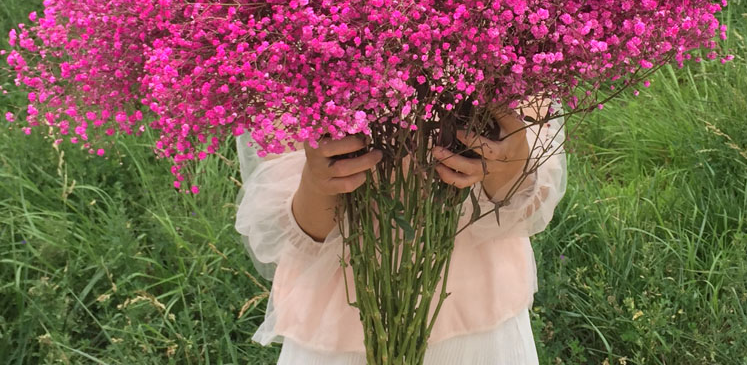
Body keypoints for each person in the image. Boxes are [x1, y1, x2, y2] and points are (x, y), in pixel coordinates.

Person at [235, 102, 567, 365]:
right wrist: (320, 182)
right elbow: (293, 232)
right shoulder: (294, 37)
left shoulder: (507, 32)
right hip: (340, 326)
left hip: (478, 314)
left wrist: (508, 166)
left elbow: (527, 203)